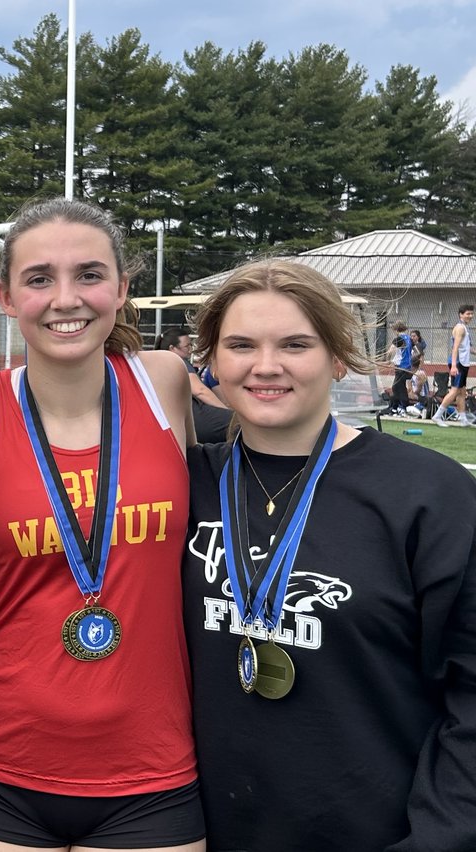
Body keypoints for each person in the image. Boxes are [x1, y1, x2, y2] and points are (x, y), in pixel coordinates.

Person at [0, 198, 205, 852]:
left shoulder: (164, 384)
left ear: (123, 289)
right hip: (1, 766)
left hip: (153, 766)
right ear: (6, 296)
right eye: (40, 279)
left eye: (89, 275)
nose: (66, 298)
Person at [183, 260, 476, 851]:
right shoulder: (180, 482)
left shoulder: (427, 493)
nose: (266, 366)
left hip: (373, 833)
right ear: (211, 361)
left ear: (338, 357)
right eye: (240, 345)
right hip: (193, 833)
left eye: (296, 344)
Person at [157, 325, 232, 443]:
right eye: (187, 346)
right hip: (195, 419)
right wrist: (227, 411)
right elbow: (200, 391)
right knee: (237, 424)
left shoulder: (157, 364)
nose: (191, 349)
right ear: (172, 348)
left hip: (172, 423)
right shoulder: (179, 362)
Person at [432, 304, 473, 426]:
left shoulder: (465, 328)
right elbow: (455, 348)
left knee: (462, 392)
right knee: (455, 391)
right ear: (461, 314)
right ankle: (437, 416)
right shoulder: (460, 328)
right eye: (468, 313)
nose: (470, 316)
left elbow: (467, 348)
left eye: (471, 313)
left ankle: (463, 420)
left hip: (463, 363)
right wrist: (454, 365)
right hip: (458, 363)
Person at [386, 319, 413, 415]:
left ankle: (402, 406)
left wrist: (387, 359)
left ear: (396, 329)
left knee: (397, 387)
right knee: (400, 386)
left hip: (401, 366)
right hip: (407, 366)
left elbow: (391, 350)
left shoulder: (399, 339)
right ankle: (397, 406)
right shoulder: (408, 338)